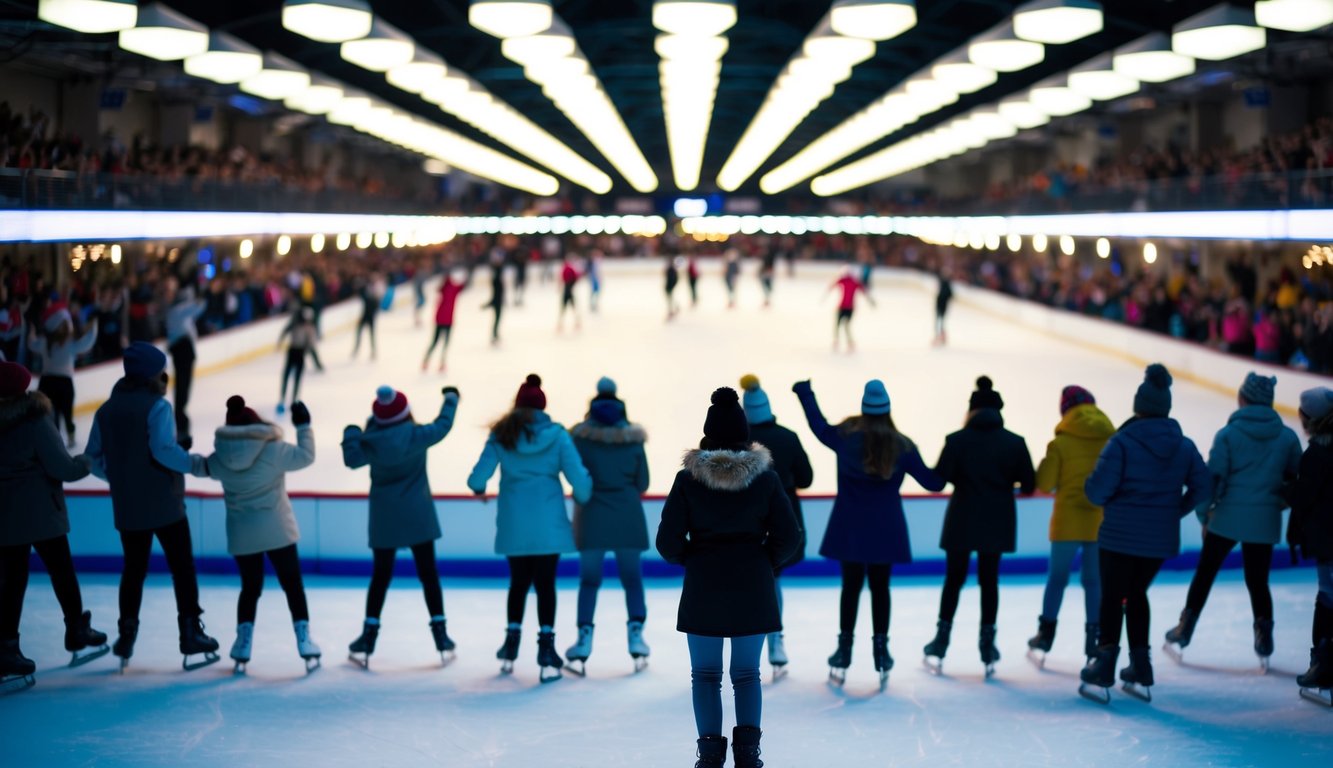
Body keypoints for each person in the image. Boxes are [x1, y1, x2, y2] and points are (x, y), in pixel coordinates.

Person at [656, 387, 800, 768]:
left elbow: (667, 541)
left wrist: (694, 558)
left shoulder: (688, 479)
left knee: (705, 674)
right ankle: (748, 756)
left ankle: (709, 756)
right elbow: (789, 536)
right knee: (747, 674)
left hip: (704, 582)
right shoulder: (765, 479)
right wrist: (760, 561)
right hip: (753, 583)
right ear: (744, 433)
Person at [794, 378, 941, 688]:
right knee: (880, 587)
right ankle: (881, 650)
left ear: (864, 408)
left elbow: (818, 426)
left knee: (851, 587)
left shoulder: (846, 438)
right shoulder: (902, 446)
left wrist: (805, 393)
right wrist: (958, 454)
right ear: (888, 410)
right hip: (885, 528)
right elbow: (933, 482)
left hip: (850, 526)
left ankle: (844, 650)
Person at [1079, 364, 1210, 702]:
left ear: (1138, 406)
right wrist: (1173, 512)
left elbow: (1096, 493)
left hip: (1118, 536)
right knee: (1136, 593)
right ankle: (1141, 664)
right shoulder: (1183, 445)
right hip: (1157, 540)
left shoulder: (1121, 443)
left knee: (1112, 595)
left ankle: (1104, 662)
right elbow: (1203, 487)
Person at [84, 342, 217, 671]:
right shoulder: (158, 407)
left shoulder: (106, 410)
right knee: (181, 567)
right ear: (152, 375)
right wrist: (194, 463)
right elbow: (163, 450)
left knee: (133, 570)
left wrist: (118, 477)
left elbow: (92, 458)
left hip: (128, 506)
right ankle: (190, 632)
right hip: (165, 502)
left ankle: (126, 632)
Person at [1164, 373, 1302, 666]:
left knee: (1205, 573)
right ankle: (1263, 635)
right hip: (1264, 520)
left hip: (1226, 517)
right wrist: (1275, 504)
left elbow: (1212, 480)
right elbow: (1296, 482)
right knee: (1258, 581)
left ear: (1243, 398)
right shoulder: (1288, 438)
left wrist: (1205, 515)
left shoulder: (1228, 435)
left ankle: (1185, 627)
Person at [468, 374, 592, 682]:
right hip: (548, 522)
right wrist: (583, 494)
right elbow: (579, 480)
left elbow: (476, 479)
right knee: (546, 584)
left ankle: (511, 642)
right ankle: (546, 647)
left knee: (518, 582)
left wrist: (480, 489)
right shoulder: (558, 436)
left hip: (514, 521)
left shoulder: (502, 434)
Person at [192, 395, 321, 673]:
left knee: (250, 588)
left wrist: (174, 450)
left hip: (242, 535)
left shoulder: (221, 459)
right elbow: (306, 457)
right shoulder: (274, 451)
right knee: (292, 585)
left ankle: (242, 643)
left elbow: (196, 466)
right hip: (278, 531)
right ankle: (304, 640)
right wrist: (303, 426)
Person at [0, 362, 107, 688]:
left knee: (12, 582)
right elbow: (63, 467)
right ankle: (77, 629)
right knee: (61, 570)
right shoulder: (34, 420)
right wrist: (87, 461)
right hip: (42, 514)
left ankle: (6, 648)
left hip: (5, 516)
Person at [341, 385, 460, 668]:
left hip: (385, 518)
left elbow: (351, 458)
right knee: (428, 575)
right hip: (418, 515)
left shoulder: (371, 441)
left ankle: (368, 637)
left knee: (381, 576)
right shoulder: (416, 436)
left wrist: (351, 432)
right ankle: (441, 636)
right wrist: (450, 399)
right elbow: (443, 426)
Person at [924, 376, 1036, 676]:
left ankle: (941, 641)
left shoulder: (956, 440)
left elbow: (938, 479)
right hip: (997, 520)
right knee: (990, 582)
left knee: (953, 580)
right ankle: (987, 645)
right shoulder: (1015, 442)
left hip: (962, 517)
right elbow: (1029, 484)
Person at [565, 377, 651, 674]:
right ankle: (637, 636)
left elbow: (574, 476)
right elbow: (643, 482)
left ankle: (584, 639)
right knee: (632, 579)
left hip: (592, 516)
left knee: (589, 580)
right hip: (627, 514)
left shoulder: (579, 438)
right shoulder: (634, 439)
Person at [1028, 386, 1114, 664]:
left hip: (1067, 522)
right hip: (1101, 521)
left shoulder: (1061, 443)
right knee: (1094, 582)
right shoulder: (1111, 440)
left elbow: (1044, 483)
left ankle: (1046, 634)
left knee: (1057, 580)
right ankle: (1093, 641)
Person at [741, 374, 813, 677]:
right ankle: (775, 640)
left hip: (747, 524)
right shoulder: (788, 437)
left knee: (748, 584)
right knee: (774, 580)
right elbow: (807, 478)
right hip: (784, 521)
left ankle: (750, 645)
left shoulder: (739, 445)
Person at [1290, 387, 1333, 703]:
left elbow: (1304, 500)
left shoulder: (1316, 455)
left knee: (1327, 598)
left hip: (1328, 541)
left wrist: (1285, 489)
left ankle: (1321, 664)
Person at [28, 303, 96, 448]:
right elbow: (86, 344)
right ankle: (63, 439)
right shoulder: (67, 344)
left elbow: (32, 345)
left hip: (48, 383)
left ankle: (56, 441)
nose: (68, 326)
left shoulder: (46, 343)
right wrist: (93, 329)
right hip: (63, 384)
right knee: (64, 415)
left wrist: (31, 334)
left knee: (56, 416)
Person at [164, 281, 206, 446]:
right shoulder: (178, 311)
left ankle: (180, 421)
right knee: (183, 387)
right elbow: (198, 307)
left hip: (182, 351)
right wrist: (200, 296)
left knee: (183, 387)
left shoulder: (176, 311)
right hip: (183, 351)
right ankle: (180, 424)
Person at [422, 267, 468, 373]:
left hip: (443, 320)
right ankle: (435, 362)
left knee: (438, 342)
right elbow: (462, 286)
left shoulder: (446, 288)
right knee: (442, 343)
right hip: (445, 320)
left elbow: (462, 286)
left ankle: (434, 361)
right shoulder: (448, 288)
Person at [276, 307, 317, 414]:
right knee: (287, 375)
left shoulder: (309, 328)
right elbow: (285, 331)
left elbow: (311, 342)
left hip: (299, 353)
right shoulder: (296, 324)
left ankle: (294, 399)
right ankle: (283, 399)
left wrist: (306, 349)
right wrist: (280, 342)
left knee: (297, 377)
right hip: (293, 351)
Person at [829, 267, 875, 352]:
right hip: (846, 307)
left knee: (840, 325)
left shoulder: (847, 281)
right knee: (843, 325)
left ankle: (843, 342)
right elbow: (865, 292)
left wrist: (871, 301)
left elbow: (832, 285)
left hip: (846, 307)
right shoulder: (854, 282)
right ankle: (843, 341)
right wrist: (871, 301)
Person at [350, 271, 385, 361]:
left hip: (371, 315)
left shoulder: (376, 291)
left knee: (371, 333)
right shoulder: (367, 288)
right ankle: (357, 349)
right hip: (365, 314)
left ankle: (373, 351)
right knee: (360, 331)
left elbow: (377, 299)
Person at [484, 251, 506, 345]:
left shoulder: (496, 278)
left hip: (497, 301)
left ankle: (495, 335)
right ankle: (495, 335)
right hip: (497, 301)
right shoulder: (497, 279)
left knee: (497, 319)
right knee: (497, 319)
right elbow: (496, 293)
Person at [557, 256, 582, 332]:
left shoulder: (566, 268)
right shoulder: (571, 268)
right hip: (570, 290)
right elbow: (577, 276)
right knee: (573, 307)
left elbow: (561, 278)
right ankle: (577, 323)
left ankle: (560, 324)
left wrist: (560, 286)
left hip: (566, 290)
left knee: (563, 308)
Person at [934, 267, 953, 346]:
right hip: (940, 304)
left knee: (940, 321)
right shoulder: (943, 282)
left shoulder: (945, 283)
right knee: (939, 321)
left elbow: (950, 295)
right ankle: (939, 335)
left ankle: (940, 335)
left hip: (942, 304)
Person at [665, 256, 681, 321]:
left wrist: (671, 286)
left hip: (669, 286)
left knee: (670, 299)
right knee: (670, 298)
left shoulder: (671, 269)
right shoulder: (671, 269)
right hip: (669, 286)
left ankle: (672, 309)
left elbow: (674, 279)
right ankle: (673, 308)